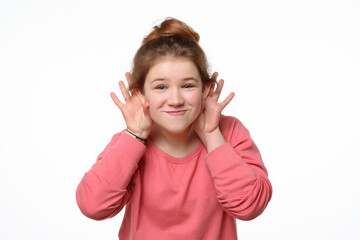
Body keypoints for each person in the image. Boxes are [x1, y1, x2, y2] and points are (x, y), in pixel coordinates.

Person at [76, 17, 272, 240]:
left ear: (206, 90)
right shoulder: (129, 143)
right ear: (140, 93)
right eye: (161, 87)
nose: (176, 99)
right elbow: (92, 206)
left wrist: (211, 135)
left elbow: (249, 207)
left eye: (187, 85)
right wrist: (135, 136)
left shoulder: (229, 132)